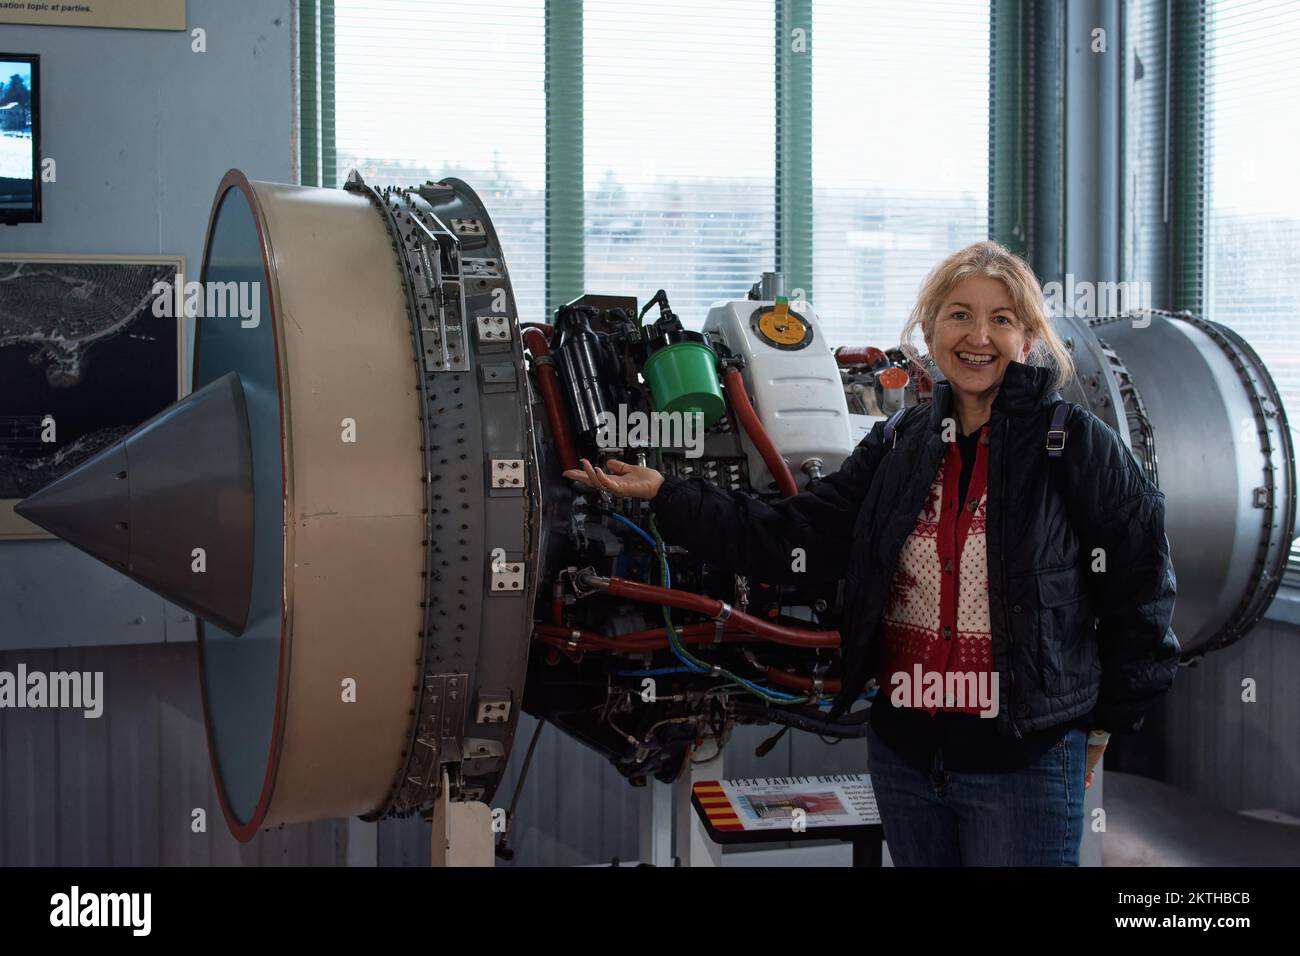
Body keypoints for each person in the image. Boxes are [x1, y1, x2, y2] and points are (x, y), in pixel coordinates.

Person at [563, 240, 1179, 866]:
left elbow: (1142, 591)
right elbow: (792, 535)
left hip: (1022, 763)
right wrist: (668, 495)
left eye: (1001, 319)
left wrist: (1103, 725)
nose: (978, 337)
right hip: (908, 759)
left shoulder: (1075, 447)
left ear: (1027, 339)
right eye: (959, 314)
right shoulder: (901, 443)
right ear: (930, 328)